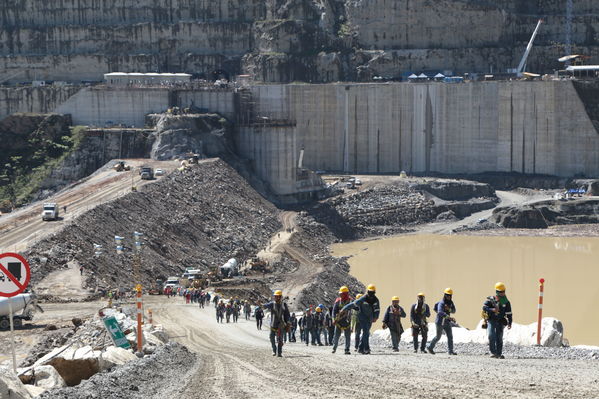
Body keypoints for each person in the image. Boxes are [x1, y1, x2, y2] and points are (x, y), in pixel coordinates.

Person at [343, 284, 380, 354]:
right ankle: (366, 348)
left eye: (372, 292)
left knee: (366, 333)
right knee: (366, 332)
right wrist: (344, 308)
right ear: (367, 291)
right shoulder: (363, 298)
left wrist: (376, 317)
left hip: (370, 318)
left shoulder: (376, 300)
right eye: (370, 292)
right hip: (362, 317)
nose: (371, 294)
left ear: (374, 292)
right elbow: (354, 304)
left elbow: (377, 309)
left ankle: (360, 348)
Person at [483, 282, 513, 359]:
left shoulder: (506, 302)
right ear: (497, 292)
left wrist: (510, 322)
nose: (502, 293)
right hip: (491, 320)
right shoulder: (491, 300)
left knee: (499, 337)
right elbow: (484, 307)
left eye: (503, 291)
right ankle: (493, 352)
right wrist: (492, 309)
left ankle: (499, 353)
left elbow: (509, 313)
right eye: (501, 292)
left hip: (500, 321)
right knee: (491, 335)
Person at [427, 288, 457, 355]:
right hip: (439, 322)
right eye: (447, 295)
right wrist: (449, 317)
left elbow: (454, 311)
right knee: (438, 337)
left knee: (450, 336)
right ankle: (430, 347)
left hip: (447, 322)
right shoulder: (441, 303)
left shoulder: (451, 303)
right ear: (445, 295)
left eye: (450, 295)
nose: (449, 297)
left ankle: (450, 351)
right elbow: (440, 312)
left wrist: (449, 309)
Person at [263, 290, 290, 357]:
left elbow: (287, 314)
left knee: (280, 339)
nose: (277, 298)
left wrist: (288, 322)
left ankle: (279, 352)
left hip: (281, 325)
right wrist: (261, 305)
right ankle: (274, 350)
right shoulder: (272, 304)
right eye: (276, 297)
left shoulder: (284, 305)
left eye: (278, 297)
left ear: (280, 297)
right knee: (272, 338)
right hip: (273, 324)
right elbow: (265, 306)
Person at [331, 286, 353, 355]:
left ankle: (347, 349)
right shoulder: (338, 301)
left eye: (342, 293)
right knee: (336, 336)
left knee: (347, 337)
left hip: (347, 322)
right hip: (338, 322)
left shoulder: (351, 301)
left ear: (346, 294)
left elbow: (354, 311)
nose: (340, 295)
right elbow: (334, 312)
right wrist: (333, 319)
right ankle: (334, 348)